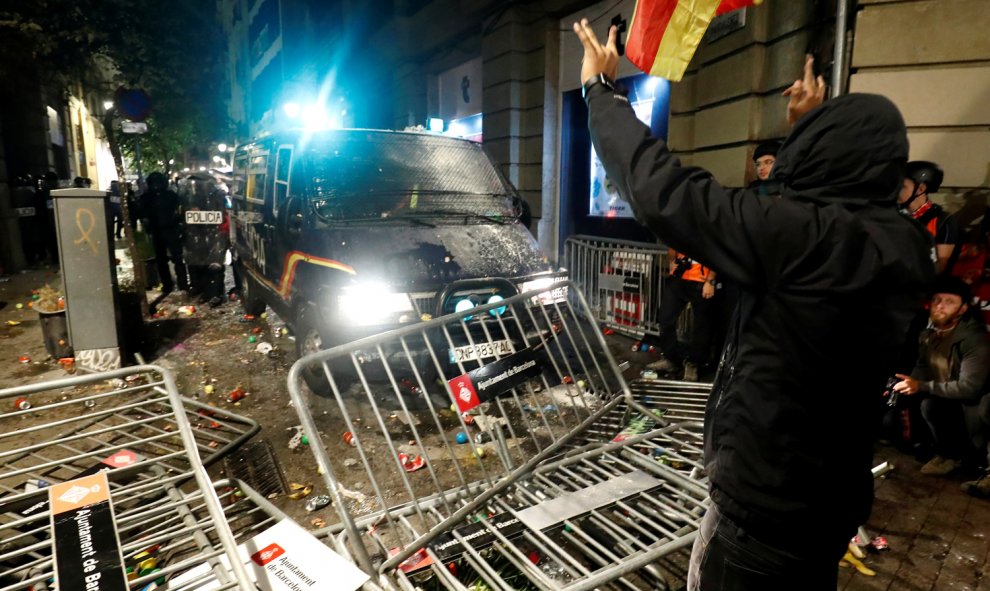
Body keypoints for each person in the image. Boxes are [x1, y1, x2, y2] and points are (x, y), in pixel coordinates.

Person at [573, 20, 933, 589]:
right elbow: (808, 206)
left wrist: (602, 92)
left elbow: (662, 190)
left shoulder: (806, 237)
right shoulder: (903, 241)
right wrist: (811, 133)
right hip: (826, 500)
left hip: (763, 507)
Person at [892, 277, 990, 487]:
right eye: (937, 300)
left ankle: (981, 465)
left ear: (963, 309)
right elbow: (923, 366)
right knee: (928, 406)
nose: (940, 306)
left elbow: (970, 388)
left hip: (976, 403)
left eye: (949, 301)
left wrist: (922, 386)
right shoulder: (929, 335)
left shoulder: (975, 339)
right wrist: (906, 384)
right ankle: (950, 455)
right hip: (949, 394)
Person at [647, 249, 717, 382]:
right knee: (665, 319)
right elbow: (672, 245)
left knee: (702, 326)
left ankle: (693, 363)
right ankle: (671, 359)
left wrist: (711, 280)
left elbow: (716, 251)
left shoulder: (709, 228)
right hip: (679, 276)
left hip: (702, 280)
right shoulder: (681, 228)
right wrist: (671, 261)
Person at [899, 160, 958, 274]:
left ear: (921, 189)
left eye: (902, 186)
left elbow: (940, 266)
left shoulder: (942, 220)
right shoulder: (893, 213)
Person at [181, 175, 228, 306]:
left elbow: (220, 215)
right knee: (199, 264)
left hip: (214, 235)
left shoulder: (216, 195)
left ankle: (216, 294)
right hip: (197, 235)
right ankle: (204, 291)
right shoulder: (190, 197)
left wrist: (199, 214)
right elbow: (184, 215)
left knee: (215, 266)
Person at [139, 171, 188, 294]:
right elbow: (142, 214)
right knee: (168, 259)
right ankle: (176, 285)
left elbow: (179, 211)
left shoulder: (165, 196)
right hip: (163, 230)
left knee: (171, 259)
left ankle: (176, 285)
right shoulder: (151, 197)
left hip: (167, 229)